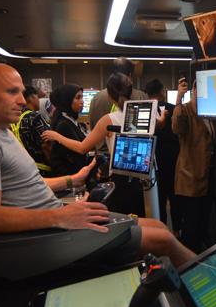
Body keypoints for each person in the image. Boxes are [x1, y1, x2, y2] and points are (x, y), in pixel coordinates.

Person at [0, 63, 194, 267]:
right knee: (163, 240)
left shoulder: (3, 133)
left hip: (58, 218)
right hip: (50, 234)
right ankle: (210, 282)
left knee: (159, 226)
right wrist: (59, 216)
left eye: (21, 92)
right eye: (11, 92)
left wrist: (72, 180)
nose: (22, 100)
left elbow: (29, 185)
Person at [42, 73, 145, 216]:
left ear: (109, 95)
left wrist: (56, 136)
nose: (81, 101)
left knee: (122, 218)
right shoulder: (139, 114)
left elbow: (82, 147)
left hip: (120, 176)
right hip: (140, 175)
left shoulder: (108, 119)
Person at [172, 76, 216, 253]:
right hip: (189, 178)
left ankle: (200, 255)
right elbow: (177, 128)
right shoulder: (185, 110)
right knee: (191, 227)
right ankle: (189, 259)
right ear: (194, 90)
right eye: (200, 89)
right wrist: (178, 99)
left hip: (207, 178)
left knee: (203, 222)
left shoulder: (210, 112)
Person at [145, 79, 180, 234]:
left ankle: (161, 230)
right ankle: (177, 229)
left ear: (147, 94)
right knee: (174, 197)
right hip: (173, 159)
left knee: (158, 198)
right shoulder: (172, 109)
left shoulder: (145, 110)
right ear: (162, 92)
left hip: (154, 161)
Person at [89, 57, 148, 130]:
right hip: (134, 137)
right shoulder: (141, 96)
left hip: (100, 136)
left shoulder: (97, 98)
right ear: (130, 75)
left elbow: (92, 125)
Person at [11, 85, 52, 176]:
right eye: (37, 97)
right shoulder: (34, 117)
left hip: (23, 169)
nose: (39, 101)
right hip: (42, 170)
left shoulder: (14, 120)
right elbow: (46, 145)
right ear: (31, 97)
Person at [49, 84, 87, 176]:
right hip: (69, 177)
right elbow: (81, 149)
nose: (82, 101)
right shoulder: (64, 124)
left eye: (82, 97)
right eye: (78, 98)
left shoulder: (70, 119)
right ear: (67, 100)